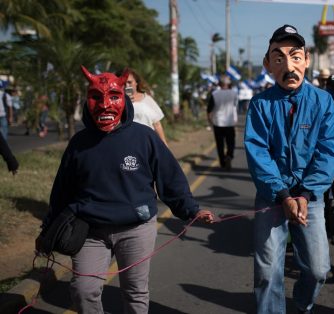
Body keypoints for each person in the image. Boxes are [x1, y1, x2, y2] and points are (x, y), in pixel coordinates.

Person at [36, 66, 214, 314]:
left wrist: (191, 210)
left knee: (135, 292)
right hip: (90, 231)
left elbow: (170, 178)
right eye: (96, 97)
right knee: (83, 289)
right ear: (88, 100)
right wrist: (48, 229)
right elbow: (62, 191)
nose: (105, 104)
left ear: (124, 97)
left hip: (136, 229)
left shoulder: (144, 137)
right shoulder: (79, 143)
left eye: (113, 96)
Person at [244, 24, 334, 314]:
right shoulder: (260, 104)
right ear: (268, 64)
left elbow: (330, 151)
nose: (289, 66)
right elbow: (257, 151)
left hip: (309, 199)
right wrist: (283, 194)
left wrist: (304, 194)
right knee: (266, 272)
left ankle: (302, 305)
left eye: (295, 56)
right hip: (272, 197)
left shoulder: (323, 102)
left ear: (307, 60)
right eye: (279, 58)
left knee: (318, 270)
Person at [125, 69, 168, 146]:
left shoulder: (146, 99)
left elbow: (157, 123)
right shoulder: (117, 102)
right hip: (128, 143)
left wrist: (164, 143)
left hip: (147, 143)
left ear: (136, 83)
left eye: (129, 82)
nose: (127, 85)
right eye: (124, 83)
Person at [207, 75, 238, 170]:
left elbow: (209, 110)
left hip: (218, 122)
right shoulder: (234, 93)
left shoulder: (215, 94)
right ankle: (229, 155)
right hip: (230, 122)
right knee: (231, 142)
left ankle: (222, 162)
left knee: (220, 144)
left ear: (220, 84)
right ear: (229, 84)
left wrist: (210, 121)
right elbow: (235, 106)